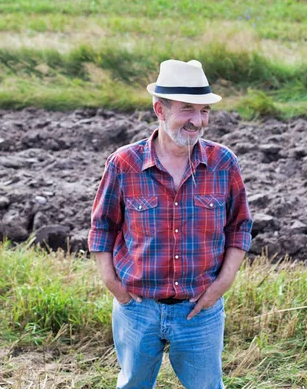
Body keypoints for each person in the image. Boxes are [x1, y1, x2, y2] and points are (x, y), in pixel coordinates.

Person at [88, 59, 253, 389]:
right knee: (133, 384)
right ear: (159, 110)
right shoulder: (124, 164)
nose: (197, 120)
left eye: (204, 111)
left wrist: (224, 281)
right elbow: (102, 226)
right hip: (137, 308)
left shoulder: (224, 163)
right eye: (187, 109)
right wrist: (111, 282)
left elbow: (240, 226)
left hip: (199, 310)